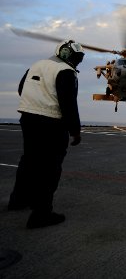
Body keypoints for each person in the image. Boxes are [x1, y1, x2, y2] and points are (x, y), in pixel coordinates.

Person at [8, 39, 84, 229]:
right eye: (77, 58)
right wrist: (75, 131)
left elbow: (21, 89)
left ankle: (17, 201)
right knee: (50, 168)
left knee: (29, 161)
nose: (77, 62)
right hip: (51, 123)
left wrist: (35, 103)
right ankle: (41, 214)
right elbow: (68, 104)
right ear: (68, 55)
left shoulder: (37, 65)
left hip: (28, 119)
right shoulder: (66, 71)